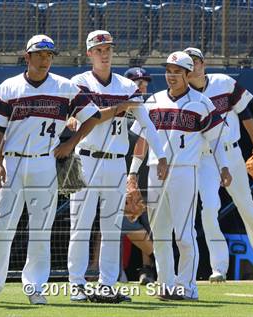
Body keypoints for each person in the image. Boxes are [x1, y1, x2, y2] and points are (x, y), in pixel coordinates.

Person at [0, 34, 101, 305]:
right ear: (27, 56)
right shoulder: (9, 87)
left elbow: (93, 116)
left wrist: (72, 144)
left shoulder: (65, 87)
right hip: (13, 161)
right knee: (2, 227)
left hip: (45, 161)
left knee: (41, 230)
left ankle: (35, 287)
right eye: (40, 55)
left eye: (49, 55)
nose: (45, 60)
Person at [67, 30, 167, 303]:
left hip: (115, 162)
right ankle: (76, 284)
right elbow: (91, 117)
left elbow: (146, 122)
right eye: (99, 49)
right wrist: (119, 107)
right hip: (86, 158)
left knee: (112, 228)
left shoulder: (126, 84)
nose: (105, 53)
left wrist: (162, 155)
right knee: (81, 226)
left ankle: (107, 285)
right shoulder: (79, 81)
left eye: (108, 48)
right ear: (89, 53)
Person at [130, 51, 232, 300]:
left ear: (188, 74)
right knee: (161, 234)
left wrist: (224, 167)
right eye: (168, 71)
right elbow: (141, 140)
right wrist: (133, 172)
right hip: (155, 171)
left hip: (185, 171)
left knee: (184, 234)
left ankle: (187, 287)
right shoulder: (153, 100)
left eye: (177, 72)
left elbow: (216, 139)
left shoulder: (202, 102)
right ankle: (166, 285)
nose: (172, 76)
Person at [184, 47, 253, 285]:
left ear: (203, 64)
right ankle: (219, 267)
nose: (192, 67)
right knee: (209, 209)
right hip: (205, 157)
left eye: (195, 62)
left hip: (232, 152)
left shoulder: (223, 82)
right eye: (188, 64)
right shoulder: (182, 95)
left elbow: (245, 113)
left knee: (247, 206)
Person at [122, 67, 155, 285]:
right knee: (124, 222)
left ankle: (148, 270)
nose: (141, 85)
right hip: (120, 173)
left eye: (144, 82)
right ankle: (159, 255)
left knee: (150, 221)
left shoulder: (152, 106)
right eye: (136, 81)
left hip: (147, 173)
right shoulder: (117, 107)